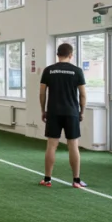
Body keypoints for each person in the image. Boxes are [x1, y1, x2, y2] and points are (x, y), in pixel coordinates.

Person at [39, 42, 87, 188]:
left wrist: (43, 110)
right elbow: (83, 95)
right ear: (71, 55)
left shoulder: (48, 70)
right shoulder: (77, 71)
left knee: (51, 146)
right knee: (73, 145)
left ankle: (47, 179)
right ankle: (76, 180)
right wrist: (81, 111)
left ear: (58, 55)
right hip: (71, 112)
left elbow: (42, 93)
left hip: (53, 112)